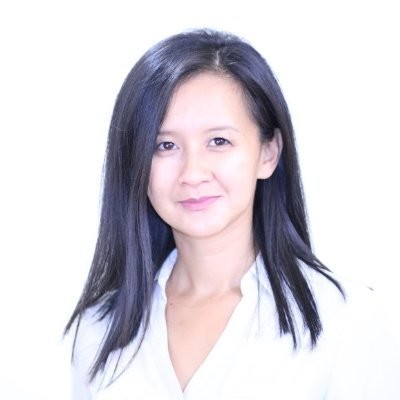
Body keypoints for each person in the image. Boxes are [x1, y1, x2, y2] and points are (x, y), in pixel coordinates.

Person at [65, 29, 400, 399]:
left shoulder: (345, 321)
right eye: (165, 145)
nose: (193, 173)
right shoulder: (98, 330)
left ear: (268, 153)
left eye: (219, 141)